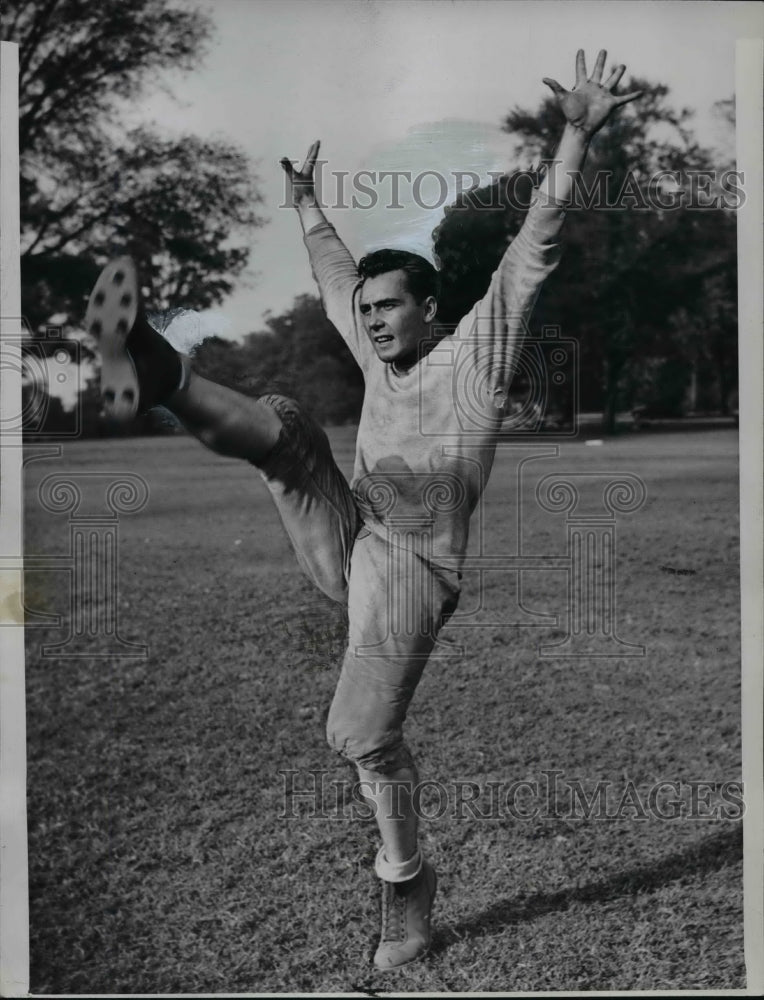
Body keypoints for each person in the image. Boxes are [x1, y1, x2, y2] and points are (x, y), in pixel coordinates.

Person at [85, 50, 641, 970]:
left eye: (390, 307)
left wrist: (575, 136)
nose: (374, 320)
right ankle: (160, 370)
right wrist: (304, 197)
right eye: (368, 311)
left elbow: (534, 244)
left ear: (431, 307)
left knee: (358, 738)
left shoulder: (476, 356)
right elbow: (332, 263)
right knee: (289, 429)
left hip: (417, 571)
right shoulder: (375, 346)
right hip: (359, 535)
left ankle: (407, 893)